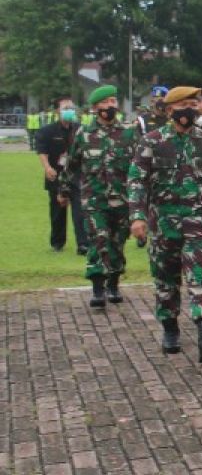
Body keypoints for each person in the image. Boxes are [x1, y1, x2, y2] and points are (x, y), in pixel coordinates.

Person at [128, 86, 202, 361]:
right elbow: (136, 181)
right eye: (184, 104)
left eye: (194, 103)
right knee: (165, 280)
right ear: (169, 111)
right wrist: (137, 216)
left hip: (199, 222)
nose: (190, 109)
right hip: (163, 222)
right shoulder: (151, 142)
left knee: (201, 276)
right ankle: (170, 329)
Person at [58, 85, 139, 308]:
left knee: (117, 243)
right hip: (95, 200)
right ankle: (97, 288)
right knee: (99, 240)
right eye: (105, 103)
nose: (110, 106)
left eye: (113, 101)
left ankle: (113, 282)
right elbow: (72, 164)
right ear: (95, 108)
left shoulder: (129, 132)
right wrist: (63, 190)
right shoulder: (84, 133)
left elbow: (140, 168)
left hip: (122, 200)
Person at [37, 96, 90, 255]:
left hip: (76, 175)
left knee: (80, 210)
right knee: (58, 210)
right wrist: (47, 167)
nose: (69, 111)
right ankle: (57, 243)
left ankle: (83, 244)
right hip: (56, 174)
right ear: (57, 111)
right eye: (66, 108)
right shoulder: (47, 131)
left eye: (72, 108)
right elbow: (42, 151)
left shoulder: (81, 129)